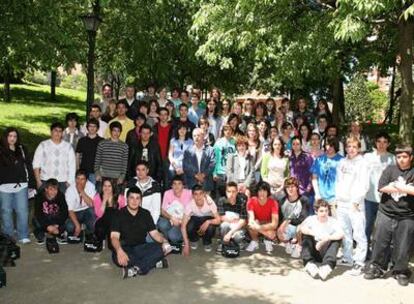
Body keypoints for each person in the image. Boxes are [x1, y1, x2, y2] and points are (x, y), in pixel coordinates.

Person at [364, 144, 414, 287]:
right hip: (385, 212)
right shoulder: (390, 169)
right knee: (380, 241)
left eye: (405, 156)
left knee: (404, 245)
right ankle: (377, 267)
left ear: (411, 157)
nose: (401, 160)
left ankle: (401, 271)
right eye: (399, 157)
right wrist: (407, 188)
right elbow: (382, 187)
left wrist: (397, 186)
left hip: (407, 215)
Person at [110, 186, 171, 278]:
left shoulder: (145, 214)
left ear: (141, 200)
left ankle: (136, 269)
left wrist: (165, 241)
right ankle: (153, 263)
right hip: (124, 248)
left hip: (141, 247)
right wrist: (119, 251)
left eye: (137, 198)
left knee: (162, 248)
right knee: (121, 259)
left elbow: (154, 233)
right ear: (127, 199)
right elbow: (114, 237)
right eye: (132, 198)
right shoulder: (118, 215)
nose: (135, 201)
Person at [334, 136, 369, 274]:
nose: (351, 149)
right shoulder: (342, 162)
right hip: (342, 202)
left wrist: (356, 201)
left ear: (359, 148)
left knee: (359, 234)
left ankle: (359, 262)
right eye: (349, 146)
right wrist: (337, 199)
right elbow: (338, 182)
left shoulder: (362, 163)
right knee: (345, 232)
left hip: (355, 203)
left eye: (354, 147)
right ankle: (347, 257)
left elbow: (364, 184)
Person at [0, 127, 34, 243]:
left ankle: (23, 234)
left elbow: (28, 166)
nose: (12, 139)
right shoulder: (1, 150)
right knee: (6, 211)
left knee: (22, 210)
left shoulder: (22, 149)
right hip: (4, 187)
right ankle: (8, 235)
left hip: (21, 185)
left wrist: (32, 184)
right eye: (10, 136)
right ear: (6, 137)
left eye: (15, 136)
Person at [363, 132, 395, 251]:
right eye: (379, 141)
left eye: (384, 142)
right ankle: (365, 253)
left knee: (383, 229)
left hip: (386, 199)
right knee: (367, 227)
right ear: (375, 143)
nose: (381, 144)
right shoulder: (367, 157)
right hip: (369, 198)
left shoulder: (393, 158)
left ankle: (380, 254)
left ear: (388, 144)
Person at [299, 199, 344, 281]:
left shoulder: (332, 221)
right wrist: (315, 234)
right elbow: (302, 228)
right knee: (306, 236)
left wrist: (327, 238)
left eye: (326, 211)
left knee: (337, 240)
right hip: (314, 250)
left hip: (326, 252)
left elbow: (341, 234)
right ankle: (310, 264)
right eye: (321, 211)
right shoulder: (311, 219)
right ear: (316, 211)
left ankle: (327, 267)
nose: (324, 213)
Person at [33, 122, 76, 193]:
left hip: (62, 182)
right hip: (45, 181)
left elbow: (72, 165)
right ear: (51, 132)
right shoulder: (43, 145)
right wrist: (38, 181)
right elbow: (36, 164)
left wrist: (69, 182)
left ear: (62, 133)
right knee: (44, 204)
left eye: (60, 131)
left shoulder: (68, 147)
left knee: (61, 203)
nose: (57, 133)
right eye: (55, 130)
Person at [181, 185, 221, 255]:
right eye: (196, 194)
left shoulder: (210, 202)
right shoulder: (190, 204)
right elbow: (183, 226)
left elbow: (218, 220)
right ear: (192, 195)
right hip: (195, 219)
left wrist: (208, 221)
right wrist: (186, 245)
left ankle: (207, 242)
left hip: (207, 218)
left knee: (211, 227)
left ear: (203, 194)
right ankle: (194, 239)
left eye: (200, 193)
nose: (198, 196)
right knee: (189, 226)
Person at [277, 177, 309, 258]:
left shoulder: (304, 200)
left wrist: (288, 221)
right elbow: (280, 217)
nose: (290, 189)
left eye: (292, 186)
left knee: (300, 228)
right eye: (288, 187)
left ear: (297, 187)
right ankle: (287, 242)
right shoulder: (282, 200)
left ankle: (298, 245)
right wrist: (280, 227)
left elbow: (303, 218)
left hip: (298, 225)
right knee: (279, 231)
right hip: (287, 227)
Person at [33, 179, 68, 247]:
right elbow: (38, 213)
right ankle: (43, 232)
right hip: (45, 218)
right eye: (51, 189)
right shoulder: (39, 197)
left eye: (55, 190)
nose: (53, 192)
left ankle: (56, 233)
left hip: (56, 219)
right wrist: (47, 226)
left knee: (67, 222)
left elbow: (65, 212)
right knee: (36, 220)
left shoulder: (60, 195)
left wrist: (57, 224)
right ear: (46, 189)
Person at [311, 137, 343, 212]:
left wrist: (340, 196)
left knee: (335, 222)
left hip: (336, 198)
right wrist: (317, 194)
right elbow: (314, 178)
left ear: (336, 146)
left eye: (332, 145)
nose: (329, 147)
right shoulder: (319, 159)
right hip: (321, 197)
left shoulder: (342, 160)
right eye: (327, 145)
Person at [157, 175, 192, 245]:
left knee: (173, 236)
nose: (177, 186)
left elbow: (192, 211)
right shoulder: (167, 193)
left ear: (183, 186)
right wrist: (171, 218)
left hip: (184, 222)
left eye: (179, 184)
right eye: (174, 184)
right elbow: (162, 210)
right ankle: (167, 240)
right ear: (171, 186)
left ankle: (180, 238)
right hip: (171, 219)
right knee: (161, 223)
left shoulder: (189, 193)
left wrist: (181, 221)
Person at [246, 181, 279, 254]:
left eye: (264, 190)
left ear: (268, 192)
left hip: (268, 223)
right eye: (260, 190)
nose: (262, 193)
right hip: (257, 222)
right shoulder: (251, 201)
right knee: (251, 225)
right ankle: (255, 241)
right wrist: (265, 233)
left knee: (271, 231)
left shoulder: (273, 202)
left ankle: (267, 241)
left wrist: (259, 228)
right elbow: (251, 220)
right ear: (257, 192)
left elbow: (274, 224)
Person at [94, 121, 129, 191]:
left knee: (115, 200)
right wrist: (97, 173)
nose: (116, 133)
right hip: (103, 176)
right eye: (114, 130)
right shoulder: (102, 144)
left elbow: (124, 163)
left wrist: (122, 177)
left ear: (120, 132)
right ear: (110, 131)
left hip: (117, 178)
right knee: (101, 199)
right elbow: (97, 160)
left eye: (118, 131)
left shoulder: (124, 146)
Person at [126, 161, 162, 228]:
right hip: (131, 219)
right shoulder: (131, 183)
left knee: (148, 238)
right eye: (138, 170)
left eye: (143, 169)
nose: (140, 172)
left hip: (148, 220)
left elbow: (156, 210)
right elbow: (126, 204)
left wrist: (151, 226)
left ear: (147, 170)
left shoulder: (155, 186)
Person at [65, 170, 96, 241]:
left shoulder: (90, 186)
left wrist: (82, 191)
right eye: (78, 179)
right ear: (75, 179)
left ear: (86, 180)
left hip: (87, 210)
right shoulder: (70, 190)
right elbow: (70, 210)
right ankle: (81, 226)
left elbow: (91, 204)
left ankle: (88, 231)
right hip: (75, 212)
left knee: (93, 222)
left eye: (82, 179)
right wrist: (77, 226)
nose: (79, 181)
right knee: (69, 227)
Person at [216, 182, 247, 253]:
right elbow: (221, 217)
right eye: (229, 191)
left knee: (238, 236)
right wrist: (232, 220)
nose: (231, 194)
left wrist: (230, 233)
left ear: (237, 192)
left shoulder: (242, 201)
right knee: (224, 225)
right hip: (228, 223)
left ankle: (238, 242)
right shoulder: (221, 200)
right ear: (226, 192)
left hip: (238, 226)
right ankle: (224, 242)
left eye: (233, 192)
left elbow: (243, 221)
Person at [183, 128, 216, 193]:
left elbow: (212, 165)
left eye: (198, 135)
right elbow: (185, 166)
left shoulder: (210, 150)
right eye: (194, 136)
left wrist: (203, 175)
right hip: (191, 184)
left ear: (203, 136)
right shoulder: (187, 151)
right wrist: (196, 176)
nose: (196, 138)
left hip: (206, 183)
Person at [93, 179, 126, 244]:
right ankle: (103, 238)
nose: (106, 188)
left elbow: (124, 213)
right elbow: (99, 215)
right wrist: (104, 201)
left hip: (115, 224)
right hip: (102, 222)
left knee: (112, 246)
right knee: (99, 230)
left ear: (113, 187)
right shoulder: (97, 197)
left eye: (109, 186)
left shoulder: (120, 198)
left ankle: (113, 237)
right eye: (105, 186)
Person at [76, 118, 103, 185]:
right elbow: (77, 156)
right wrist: (78, 169)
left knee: (93, 194)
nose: (92, 128)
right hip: (83, 172)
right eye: (90, 126)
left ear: (97, 128)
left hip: (95, 173)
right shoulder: (82, 140)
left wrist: (100, 173)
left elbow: (104, 158)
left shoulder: (102, 141)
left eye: (94, 126)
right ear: (87, 127)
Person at [213, 124, 236, 198]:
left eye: (229, 130)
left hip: (231, 173)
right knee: (219, 196)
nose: (228, 131)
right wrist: (214, 173)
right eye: (226, 130)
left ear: (232, 131)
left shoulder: (234, 142)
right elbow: (214, 158)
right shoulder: (218, 143)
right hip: (220, 172)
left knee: (230, 196)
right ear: (223, 131)